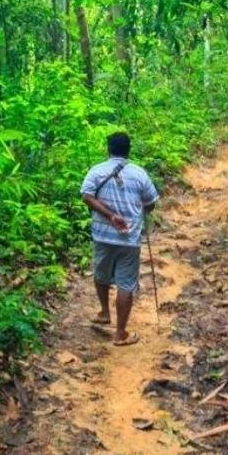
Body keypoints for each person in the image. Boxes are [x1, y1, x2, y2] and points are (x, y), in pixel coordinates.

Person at [80, 131, 159, 346]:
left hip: (102, 235)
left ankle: (105, 312)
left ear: (108, 149)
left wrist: (109, 215)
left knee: (101, 273)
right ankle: (120, 333)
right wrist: (138, 210)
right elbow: (151, 201)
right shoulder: (139, 173)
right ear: (128, 150)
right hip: (129, 237)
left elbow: (86, 195)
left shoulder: (97, 170)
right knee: (126, 283)